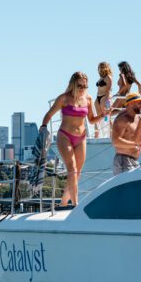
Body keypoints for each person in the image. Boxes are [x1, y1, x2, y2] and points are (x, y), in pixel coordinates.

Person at [41, 71, 97, 208]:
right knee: (72, 169)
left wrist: (105, 114)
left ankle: (63, 203)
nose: (82, 89)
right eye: (80, 86)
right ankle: (75, 205)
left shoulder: (88, 99)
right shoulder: (64, 98)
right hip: (65, 136)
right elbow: (49, 114)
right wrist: (43, 127)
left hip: (81, 137)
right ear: (73, 84)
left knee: (76, 173)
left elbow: (92, 120)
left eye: (85, 86)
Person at [111, 93, 141, 175]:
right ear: (131, 103)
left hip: (133, 160)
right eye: (140, 103)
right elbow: (115, 141)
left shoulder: (138, 117)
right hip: (123, 161)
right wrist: (136, 145)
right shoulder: (122, 119)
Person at [94, 62, 113, 136]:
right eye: (99, 67)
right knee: (97, 117)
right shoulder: (101, 77)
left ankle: (112, 135)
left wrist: (107, 101)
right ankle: (96, 135)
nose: (100, 69)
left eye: (102, 67)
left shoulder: (108, 77)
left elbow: (108, 90)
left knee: (107, 117)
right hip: (98, 97)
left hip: (105, 97)